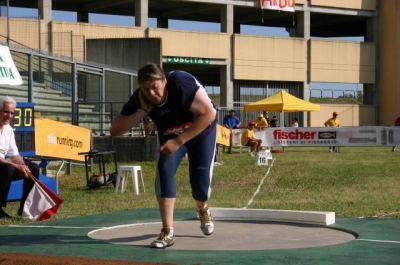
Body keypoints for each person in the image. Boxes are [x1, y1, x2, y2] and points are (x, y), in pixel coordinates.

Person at [110, 62, 217, 249]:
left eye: (155, 87)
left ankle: (202, 208)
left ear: (164, 80)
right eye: (145, 89)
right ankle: (168, 230)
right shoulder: (141, 97)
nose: (151, 93)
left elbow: (209, 114)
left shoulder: (180, 83)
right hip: (169, 135)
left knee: (200, 187)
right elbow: (115, 130)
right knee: (164, 170)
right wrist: (143, 111)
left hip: (200, 132)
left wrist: (179, 140)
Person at [0, 96, 38, 219]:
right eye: (6, 111)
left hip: (3, 166)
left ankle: (25, 209)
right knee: (8, 168)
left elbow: (15, 155)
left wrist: (23, 167)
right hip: (3, 167)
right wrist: (15, 166)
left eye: (12, 113)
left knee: (33, 168)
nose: (9, 116)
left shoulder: (8, 130)